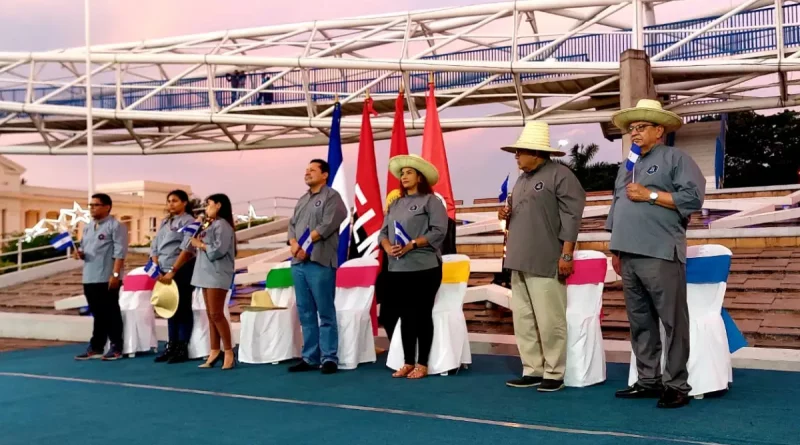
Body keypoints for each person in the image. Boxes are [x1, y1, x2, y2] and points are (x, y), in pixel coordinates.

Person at [606, 99, 705, 409]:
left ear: (659, 130)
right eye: (631, 128)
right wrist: (616, 248)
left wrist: (649, 194)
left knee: (673, 322)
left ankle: (676, 384)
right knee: (640, 321)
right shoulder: (628, 165)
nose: (634, 132)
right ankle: (649, 380)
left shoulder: (676, 158)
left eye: (641, 127)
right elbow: (617, 203)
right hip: (628, 253)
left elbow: (693, 197)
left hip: (660, 251)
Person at [498, 121, 586, 392]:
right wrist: (505, 214)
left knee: (550, 320)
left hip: (546, 257)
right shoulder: (521, 180)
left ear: (536, 152)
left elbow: (572, 216)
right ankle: (532, 369)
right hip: (518, 258)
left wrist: (567, 254)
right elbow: (520, 213)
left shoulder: (561, 175)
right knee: (523, 320)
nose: (516, 156)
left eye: (520, 151)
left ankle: (554, 372)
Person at [378, 154, 448, 380]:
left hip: (424, 267)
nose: (404, 176)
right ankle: (408, 362)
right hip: (398, 268)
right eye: (402, 173)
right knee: (405, 315)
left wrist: (412, 244)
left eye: (409, 172)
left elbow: (439, 231)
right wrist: (387, 247)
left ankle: (423, 363)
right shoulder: (395, 204)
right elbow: (383, 233)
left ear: (420, 177)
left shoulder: (431, 201)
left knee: (422, 314)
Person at [287, 159, 348, 375]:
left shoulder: (332, 197)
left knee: (325, 311)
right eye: (306, 170)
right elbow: (292, 226)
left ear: (324, 174)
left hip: (319, 262)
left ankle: (329, 357)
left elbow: (328, 225)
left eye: (312, 170)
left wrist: (304, 245)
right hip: (299, 263)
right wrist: (294, 244)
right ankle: (310, 357)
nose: (307, 172)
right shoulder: (303, 199)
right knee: (305, 312)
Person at [73, 193, 128, 361]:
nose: (92, 208)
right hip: (90, 276)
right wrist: (80, 254)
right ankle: (96, 346)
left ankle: (116, 346)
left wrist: (115, 275)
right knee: (97, 313)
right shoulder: (88, 227)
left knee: (111, 312)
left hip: (107, 277)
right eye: (90, 205)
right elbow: (84, 248)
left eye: (96, 205)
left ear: (107, 207)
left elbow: (120, 253)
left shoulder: (116, 226)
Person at [191, 194, 237, 371]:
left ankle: (229, 351)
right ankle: (214, 350)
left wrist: (201, 245)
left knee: (217, 314)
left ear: (218, 205)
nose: (206, 208)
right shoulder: (209, 224)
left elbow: (219, 249)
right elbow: (191, 241)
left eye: (209, 204)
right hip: (205, 272)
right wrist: (196, 228)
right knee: (211, 315)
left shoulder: (223, 225)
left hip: (217, 273)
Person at [150, 190, 197, 364]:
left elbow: (187, 248)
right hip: (162, 270)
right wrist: (156, 268)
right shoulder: (165, 222)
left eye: (175, 201)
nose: (171, 204)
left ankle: (182, 347)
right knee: (170, 308)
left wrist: (173, 270)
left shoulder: (189, 221)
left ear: (184, 202)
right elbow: (154, 247)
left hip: (180, 270)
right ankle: (171, 345)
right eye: (169, 201)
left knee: (182, 308)